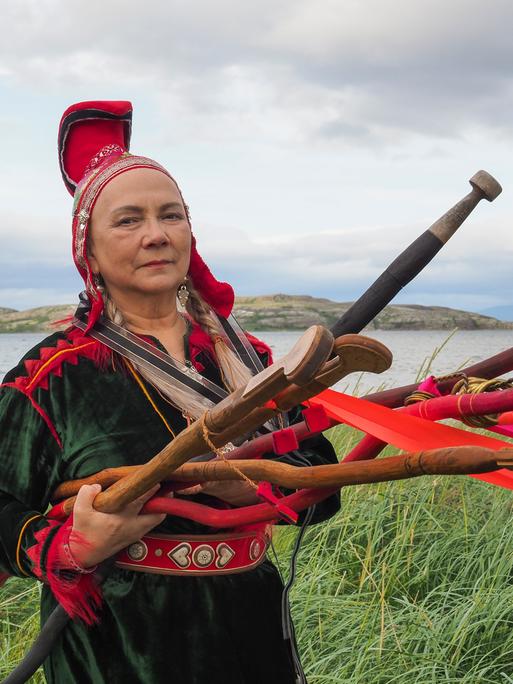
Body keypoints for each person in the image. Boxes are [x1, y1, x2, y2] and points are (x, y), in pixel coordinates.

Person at [0, 101, 340, 684]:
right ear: (90, 251)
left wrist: (253, 483)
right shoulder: (51, 377)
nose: (156, 235)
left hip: (249, 632)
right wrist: (69, 548)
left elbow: (323, 485)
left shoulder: (251, 360)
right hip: (117, 644)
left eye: (171, 215)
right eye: (128, 220)